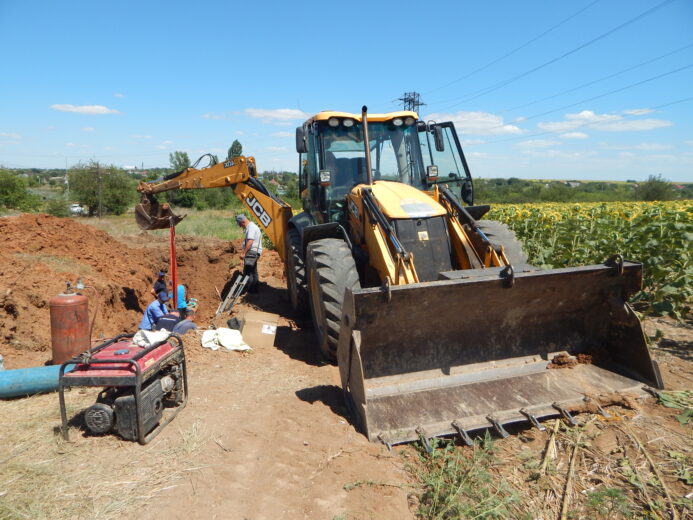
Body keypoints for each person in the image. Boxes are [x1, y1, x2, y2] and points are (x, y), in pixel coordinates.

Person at [235, 214, 263, 293]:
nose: (240, 226)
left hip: (251, 252)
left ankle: (250, 291)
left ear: (243, 221)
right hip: (254, 252)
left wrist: (244, 253)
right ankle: (255, 291)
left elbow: (250, 241)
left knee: (248, 272)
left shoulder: (251, 228)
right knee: (253, 271)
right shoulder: (252, 227)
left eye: (240, 224)